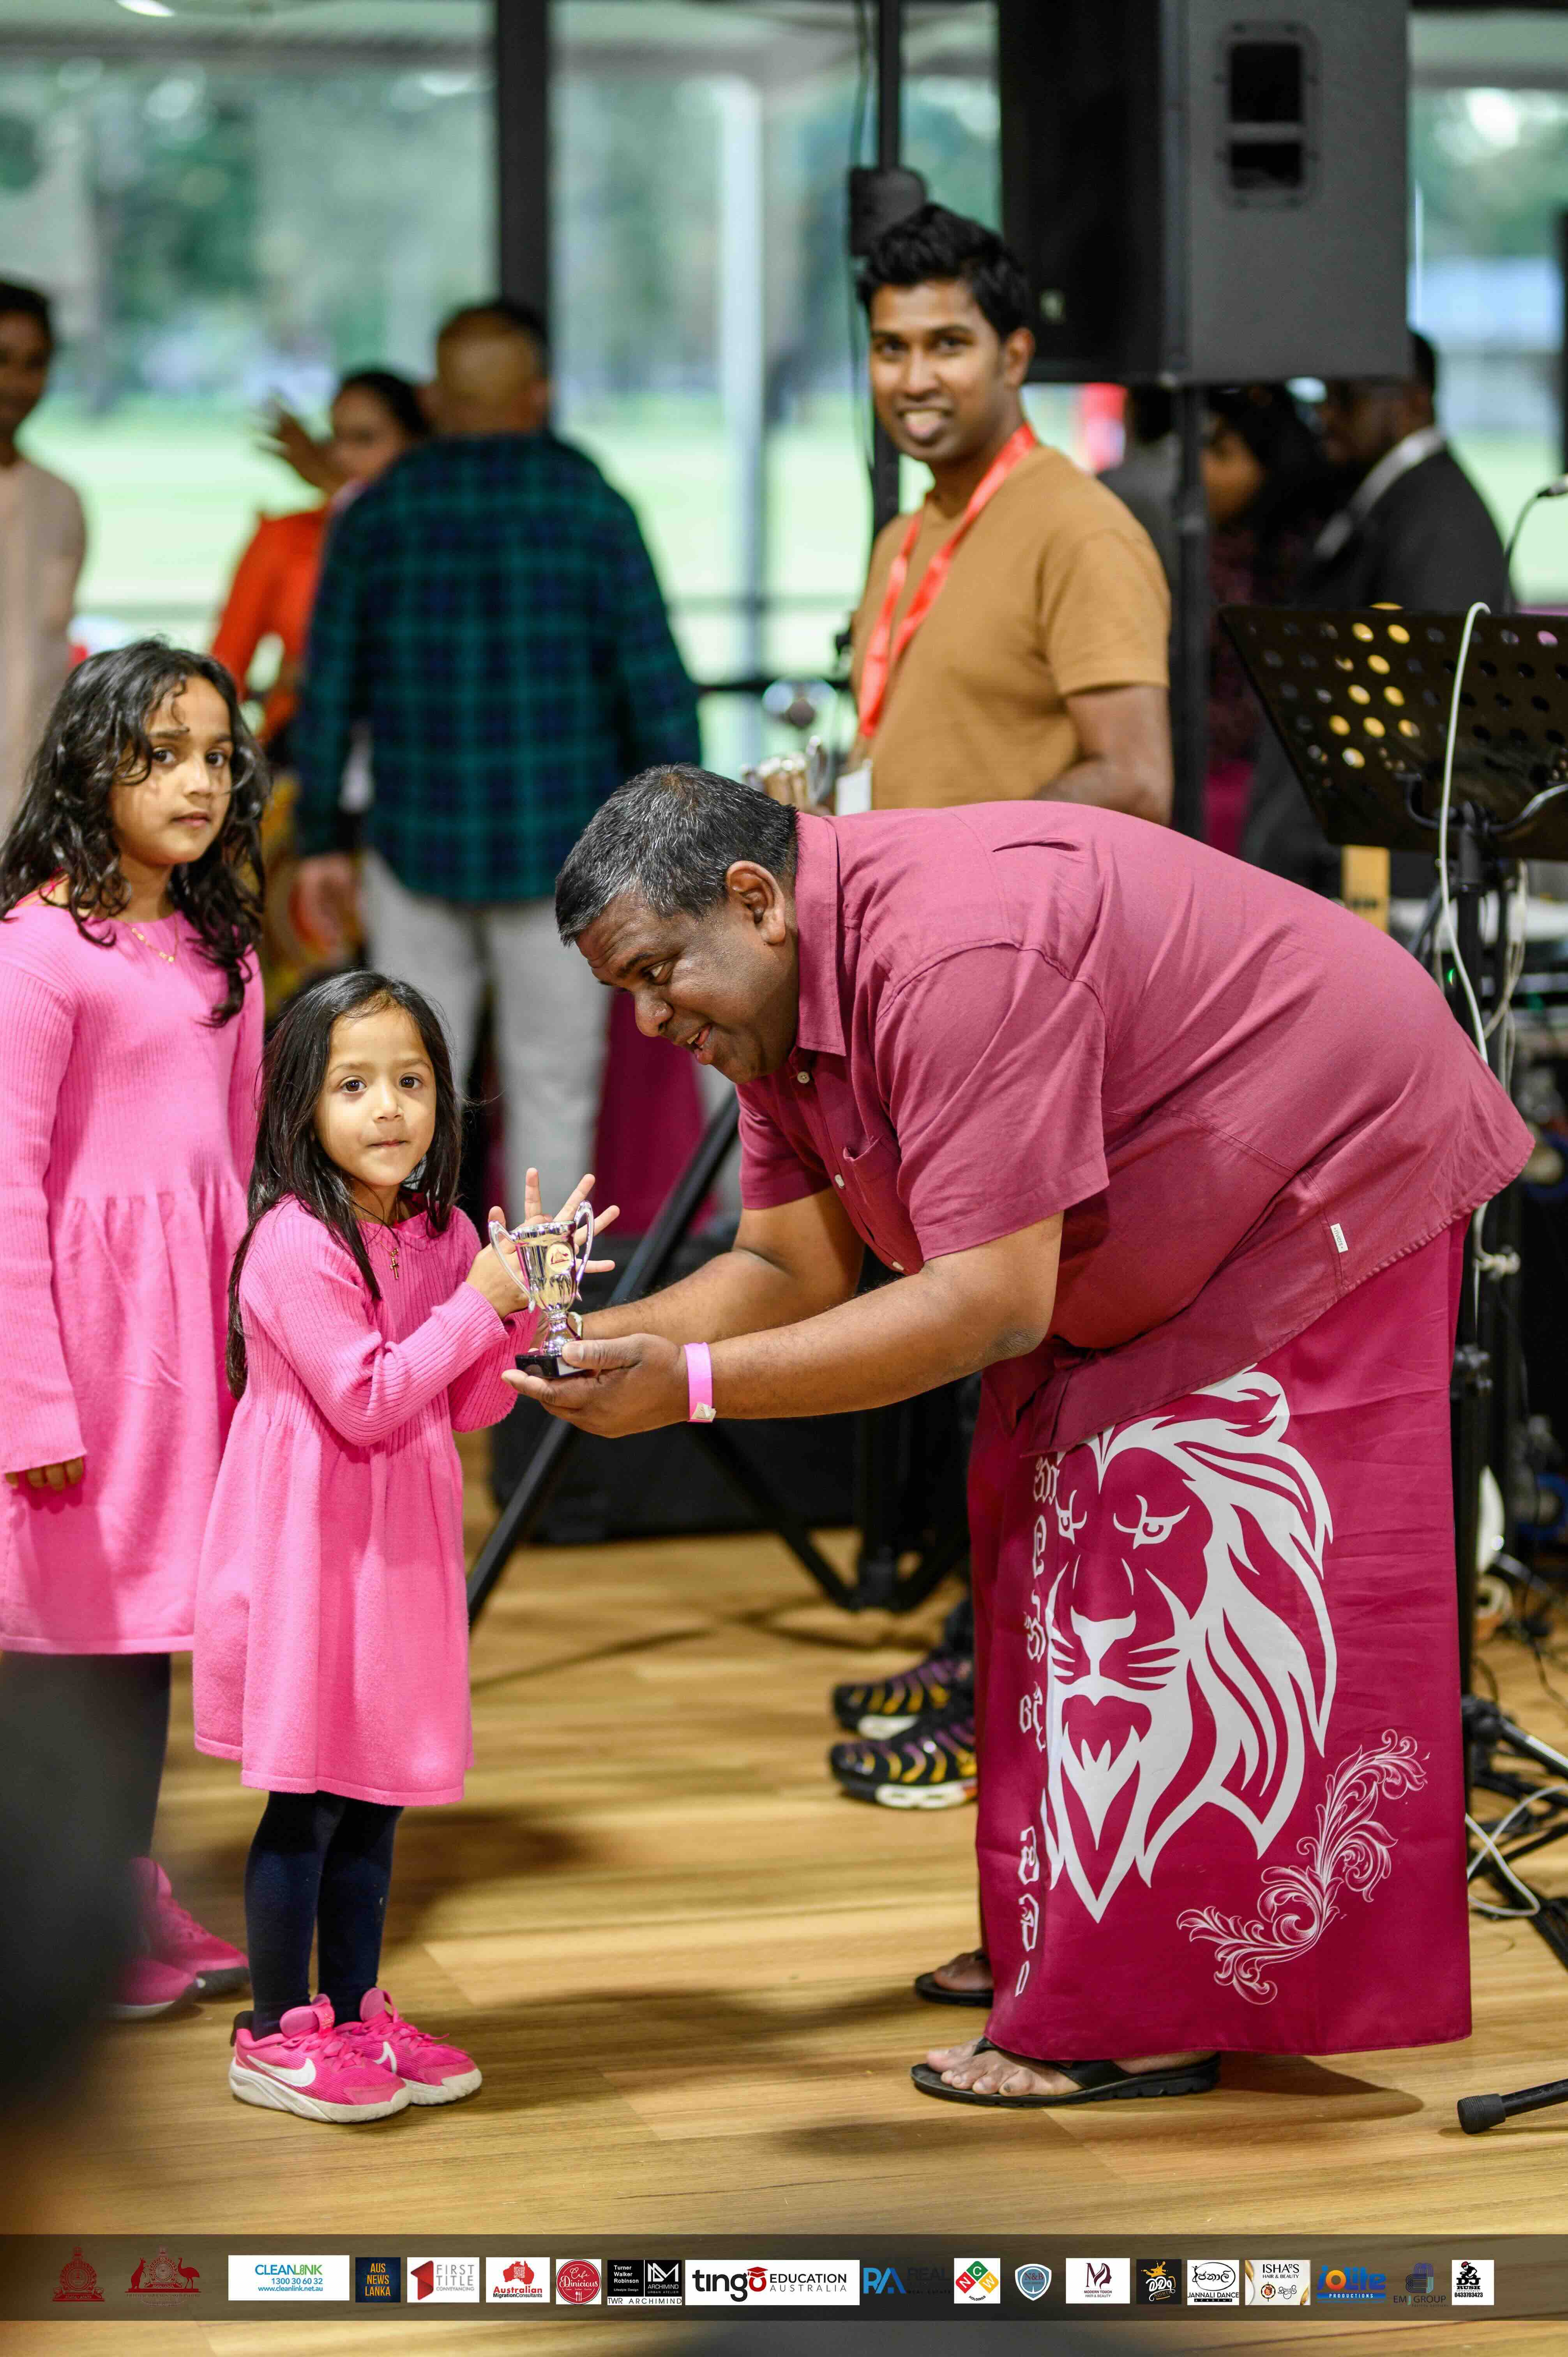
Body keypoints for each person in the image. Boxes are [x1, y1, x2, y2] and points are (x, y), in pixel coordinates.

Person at [511, 764, 1529, 2108]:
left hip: (1331, 1160)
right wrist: (598, 1344)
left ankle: (1149, 2005)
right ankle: (1061, 1939)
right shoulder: (772, 991)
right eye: (621, 994)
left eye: (655, 975)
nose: (650, 1023)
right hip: (1173, 1209)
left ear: (753, 899)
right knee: (1028, 1521)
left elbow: (989, 1306)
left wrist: (691, 1386)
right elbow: (786, 1267)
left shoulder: (955, 950)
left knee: (1152, 1541)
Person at [195, 972, 613, 2122]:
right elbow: (369, 1396)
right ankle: (276, 2030)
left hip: (399, 1557)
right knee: (309, 1798)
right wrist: (477, 1302)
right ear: (300, 1107)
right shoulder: (291, 1244)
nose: (390, 1108)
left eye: (413, 1081)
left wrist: (530, 1301)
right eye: (356, 1084)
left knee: (375, 1795)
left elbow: (468, 1402)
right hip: (308, 1558)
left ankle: (356, 2005)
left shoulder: (440, 1232)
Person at [290, 298, 701, 1212]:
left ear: (436, 398)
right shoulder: (592, 508)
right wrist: (679, 846)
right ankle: (538, 1318)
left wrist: (321, 838)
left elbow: (325, 695)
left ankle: (411, 1297)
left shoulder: (376, 516)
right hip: (563, 859)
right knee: (552, 1089)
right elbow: (654, 692)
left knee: (398, 1086)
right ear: (538, 394)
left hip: (412, 849)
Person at [0, 641, 265, 2019]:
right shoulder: (34, 953)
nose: (197, 780)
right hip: (76, 1355)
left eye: (218, 753)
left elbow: (243, 1172)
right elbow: (3, 1194)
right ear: (90, 762)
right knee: (59, 1637)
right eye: (160, 752)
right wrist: (31, 1406)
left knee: (143, 1625)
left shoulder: (222, 948)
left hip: (182, 1354)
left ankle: (121, 1870)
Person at [845, 206, 1171, 823]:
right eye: (892, 349)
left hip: (1005, 917)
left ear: (1014, 358)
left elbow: (1135, 785)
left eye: (948, 345)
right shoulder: (901, 537)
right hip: (901, 913)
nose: (914, 380)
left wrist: (952, 856)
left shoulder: (1081, 531)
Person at [1242, 331, 1511, 892]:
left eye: (1348, 397)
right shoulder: (1389, 495)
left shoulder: (1439, 518)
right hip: (1342, 848)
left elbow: (1430, 709)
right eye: (1324, 396)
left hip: (1388, 870)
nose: (1326, 414)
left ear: (1412, 401)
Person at [211, 369, 431, 752]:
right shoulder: (285, 537)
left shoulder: (438, 539)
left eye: (364, 439)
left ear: (418, 446)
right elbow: (224, 669)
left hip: (415, 749)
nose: (341, 455)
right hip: (305, 747)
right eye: (334, 438)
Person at [0, 280, 86, 825]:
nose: (16, 382)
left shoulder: (61, 501)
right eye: (1, 359)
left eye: (35, 363)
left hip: (27, 802)